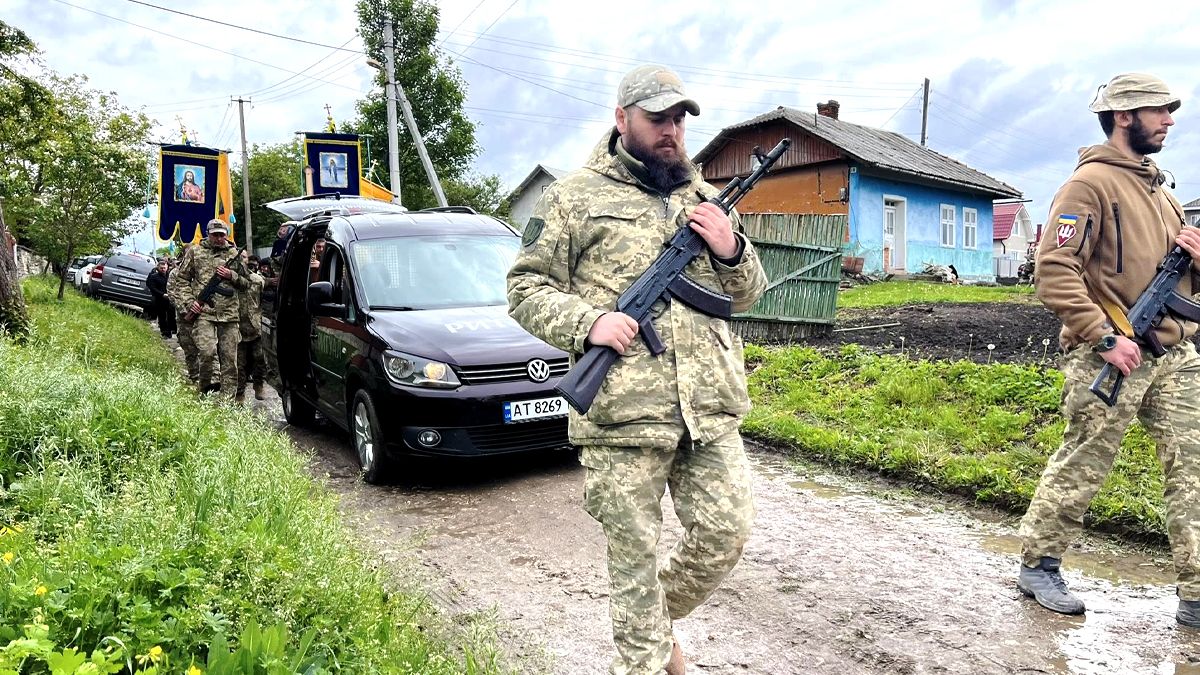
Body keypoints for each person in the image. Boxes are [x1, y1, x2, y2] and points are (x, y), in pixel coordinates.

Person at [507, 64, 768, 675]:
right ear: (622, 119)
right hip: (622, 419)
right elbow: (524, 288)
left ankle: (652, 626)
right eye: (658, 118)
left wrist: (732, 247)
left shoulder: (704, 199)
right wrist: (588, 324)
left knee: (724, 539)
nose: (672, 131)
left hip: (708, 413)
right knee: (634, 564)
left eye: (679, 119)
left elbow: (749, 293)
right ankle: (647, 656)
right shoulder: (573, 197)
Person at [1016, 73, 1200, 628]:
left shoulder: (1163, 193)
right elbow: (1054, 271)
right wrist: (1103, 336)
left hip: (1175, 356)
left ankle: (1196, 594)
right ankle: (1039, 564)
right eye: (1159, 111)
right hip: (1110, 355)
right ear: (1124, 116)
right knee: (1085, 461)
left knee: (1194, 470)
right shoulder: (1088, 185)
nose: (1169, 120)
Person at [167, 219, 249, 396]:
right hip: (204, 313)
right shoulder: (195, 252)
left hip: (229, 315)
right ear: (208, 234)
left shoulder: (235, 254)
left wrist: (232, 275)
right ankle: (204, 390)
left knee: (229, 360)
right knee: (207, 352)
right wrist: (190, 303)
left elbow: (246, 283)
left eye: (222, 235)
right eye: (215, 235)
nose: (219, 238)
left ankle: (227, 401)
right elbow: (181, 280)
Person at [235, 252, 267, 403]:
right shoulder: (231, 281)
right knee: (239, 364)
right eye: (239, 258)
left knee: (260, 358)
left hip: (256, 327)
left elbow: (263, 302)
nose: (243, 261)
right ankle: (240, 393)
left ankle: (258, 384)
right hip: (237, 328)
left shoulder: (258, 280)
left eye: (245, 258)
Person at [145, 258, 177, 338]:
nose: (163, 269)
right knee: (162, 316)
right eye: (161, 268)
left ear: (167, 268)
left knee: (171, 315)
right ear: (158, 268)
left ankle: (171, 329)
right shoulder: (154, 276)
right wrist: (162, 294)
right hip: (159, 298)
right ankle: (165, 332)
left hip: (170, 298)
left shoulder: (170, 276)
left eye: (164, 268)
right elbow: (152, 288)